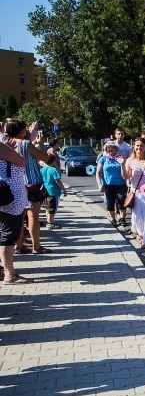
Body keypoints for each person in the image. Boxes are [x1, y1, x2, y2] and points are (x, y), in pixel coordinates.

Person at [11, 121, 50, 255]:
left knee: (18, 216)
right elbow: (44, 158)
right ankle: (36, 246)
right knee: (33, 216)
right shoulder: (26, 144)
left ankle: (19, 245)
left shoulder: (5, 144)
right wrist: (41, 144)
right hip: (31, 183)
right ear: (22, 131)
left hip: (14, 183)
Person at [0, 123, 32, 283]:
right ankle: (9, 273)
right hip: (9, 197)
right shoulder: (3, 146)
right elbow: (22, 162)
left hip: (6, 196)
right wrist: (9, 150)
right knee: (7, 236)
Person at [123, 138, 145, 248]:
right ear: (134, 147)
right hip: (136, 193)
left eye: (141, 146)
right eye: (137, 146)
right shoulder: (129, 161)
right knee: (137, 217)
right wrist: (122, 165)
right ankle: (140, 234)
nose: (139, 148)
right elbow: (126, 176)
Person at [96, 142, 128, 226]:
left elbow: (125, 170)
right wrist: (99, 184)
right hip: (108, 184)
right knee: (110, 202)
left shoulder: (120, 158)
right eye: (108, 148)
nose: (110, 149)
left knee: (121, 199)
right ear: (106, 149)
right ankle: (113, 219)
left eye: (112, 148)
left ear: (115, 149)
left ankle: (122, 218)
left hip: (120, 183)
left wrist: (122, 163)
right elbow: (98, 173)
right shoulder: (103, 159)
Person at [41, 154, 68, 230]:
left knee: (47, 207)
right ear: (54, 161)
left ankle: (48, 221)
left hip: (45, 191)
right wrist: (64, 189)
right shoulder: (53, 170)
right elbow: (58, 180)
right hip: (53, 191)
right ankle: (50, 223)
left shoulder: (42, 170)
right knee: (52, 208)